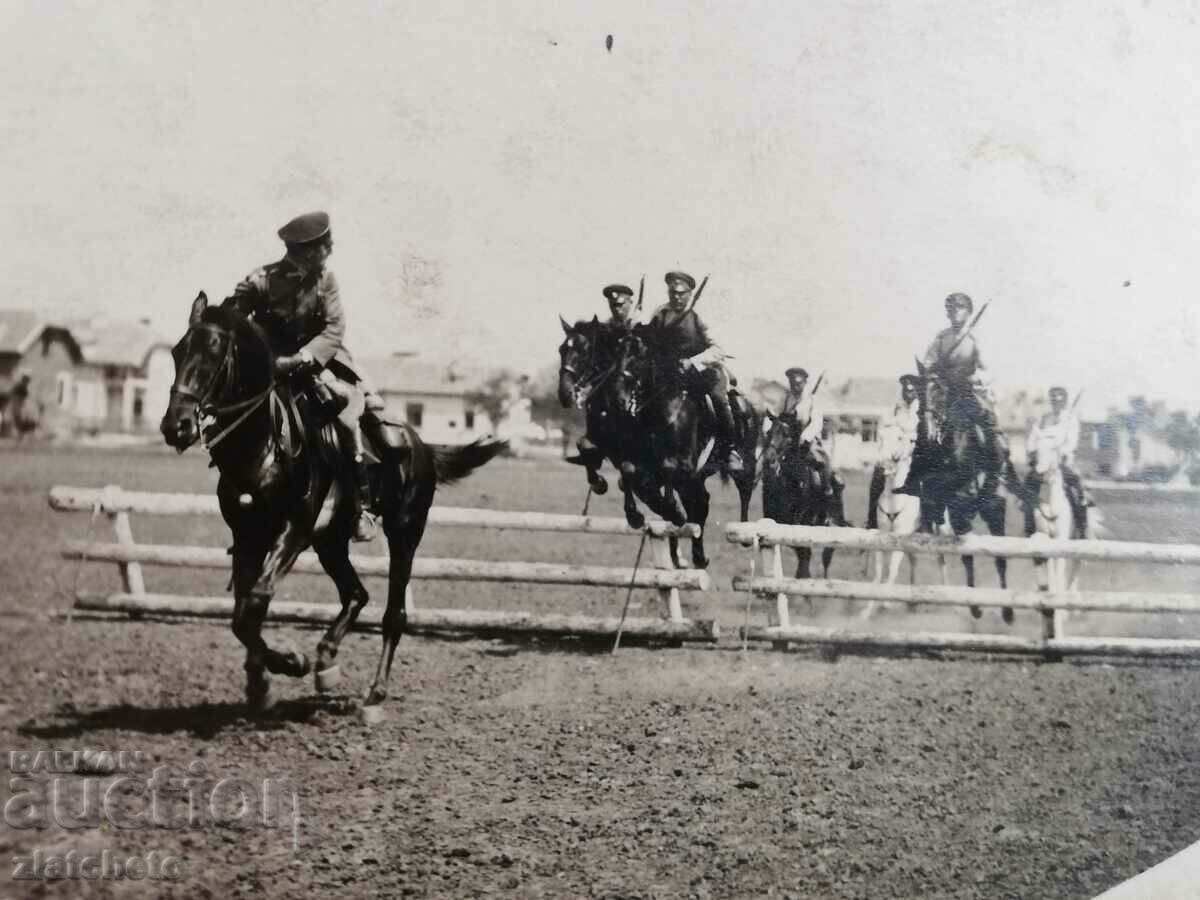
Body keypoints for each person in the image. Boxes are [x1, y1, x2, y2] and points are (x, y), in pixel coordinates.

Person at [222, 211, 380, 541]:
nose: (330, 251)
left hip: (317, 365)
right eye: (327, 246)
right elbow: (233, 316)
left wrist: (302, 357)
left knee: (347, 421)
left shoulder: (326, 280)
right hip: (269, 368)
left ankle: (360, 507)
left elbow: (334, 327)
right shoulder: (260, 279)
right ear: (309, 250)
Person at [894, 291, 1008, 495]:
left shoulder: (975, 338)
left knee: (987, 419)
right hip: (944, 390)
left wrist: (978, 378)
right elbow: (929, 360)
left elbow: (987, 369)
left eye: (959, 308)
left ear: (968, 311)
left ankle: (995, 468)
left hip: (968, 389)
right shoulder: (942, 337)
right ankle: (914, 478)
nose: (954, 312)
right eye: (950, 308)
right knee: (925, 423)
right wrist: (930, 369)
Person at [647, 271, 742, 471]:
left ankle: (729, 449)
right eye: (673, 292)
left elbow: (719, 349)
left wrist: (694, 361)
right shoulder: (659, 313)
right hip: (669, 375)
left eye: (682, 293)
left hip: (703, 373)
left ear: (690, 293)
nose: (677, 297)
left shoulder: (700, 315)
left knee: (718, 399)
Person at [778, 366, 847, 522]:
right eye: (792, 384)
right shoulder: (786, 399)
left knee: (822, 462)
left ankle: (828, 491)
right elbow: (776, 418)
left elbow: (817, 422)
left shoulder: (812, 400)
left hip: (808, 442)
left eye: (798, 383)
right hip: (788, 443)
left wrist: (805, 436)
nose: (795, 387)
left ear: (804, 383)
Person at [1024, 386, 1092, 532]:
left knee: (1075, 484)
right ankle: (1028, 525)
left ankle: (1082, 523)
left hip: (1062, 462)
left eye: (1058, 399)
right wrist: (1031, 451)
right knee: (1029, 485)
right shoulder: (1043, 419)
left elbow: (1072, 442)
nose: (1055, 401)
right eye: (1053, 398)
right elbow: (1033, 438)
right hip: (1042, 461)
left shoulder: (1070, 419)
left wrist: (1065, 451)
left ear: (1065, 401)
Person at [866, 374, 921, 529]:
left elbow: (920, 433)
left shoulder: (923, 409)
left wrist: (908, 445)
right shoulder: (895, 408)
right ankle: (872, 520)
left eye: (912, 389)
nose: (909, 393)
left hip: (915, 453)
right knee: (877, 475)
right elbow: (886, 429)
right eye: (906, 389)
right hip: (895, 453)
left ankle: (928, 521)